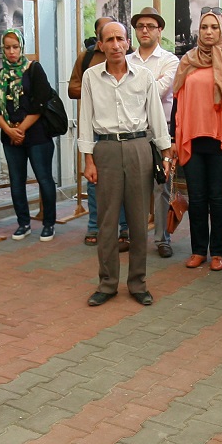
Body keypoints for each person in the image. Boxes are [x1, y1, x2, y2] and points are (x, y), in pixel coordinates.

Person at [79, 21, 172, 306]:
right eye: (109, 40)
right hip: (105, 149)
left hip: (138, 148)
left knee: (138, 220)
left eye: (120, 39)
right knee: (107, 221)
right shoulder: (91, 77)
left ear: (127, 42)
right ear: (101, 45)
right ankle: (107, 284)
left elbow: (156, 116)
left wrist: (166, 154)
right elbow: (85, 118)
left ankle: (138, 283)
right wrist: (88, 159)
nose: (116, 45)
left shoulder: (143, 76)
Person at [170, 7, 222, 271]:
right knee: (197, 198)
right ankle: (198, 250)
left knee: (219, 198)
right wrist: (173, 137)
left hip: (221, 139)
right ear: (198, 30)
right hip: (191, 138)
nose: (209, 32)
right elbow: (176, 101)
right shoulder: (188, 60)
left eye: (214, 27)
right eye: (204, 27)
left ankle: (218, 252)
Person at [0, 29, 58, 241]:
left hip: (37, 134)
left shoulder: (34, 69)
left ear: (22, 47)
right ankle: (23, 223)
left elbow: (40, 103)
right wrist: (9, 130)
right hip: (10, 136)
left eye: (15, 47)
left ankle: (49, 223)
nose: (11, 52)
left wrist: (21, 129)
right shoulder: (0, 75)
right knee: (16, 181)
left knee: (44, 178)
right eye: (7, 48)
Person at [69, 17, 126, 248]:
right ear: (99, 38)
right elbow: (72, 88)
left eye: (118, 37)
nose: (114, 43)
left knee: (124, 183)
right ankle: (94, 225)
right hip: (95, 126)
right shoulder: (86, 58)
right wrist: (97, 88)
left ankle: (124, 227)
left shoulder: (127, 56)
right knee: (94, 180)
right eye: (106, 35)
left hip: (122, 128)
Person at [128, 6, 180, 258]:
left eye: (150, 26)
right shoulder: (126, 60)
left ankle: (162, 239)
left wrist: (133, 88)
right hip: (134, 132)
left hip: (162, 132)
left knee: (161, 187)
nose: (145, 30)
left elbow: (159, 91)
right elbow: (121, 94)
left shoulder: (170, 60)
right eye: (140, 26)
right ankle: (135, 237)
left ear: (160, 30)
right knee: (134, 188)